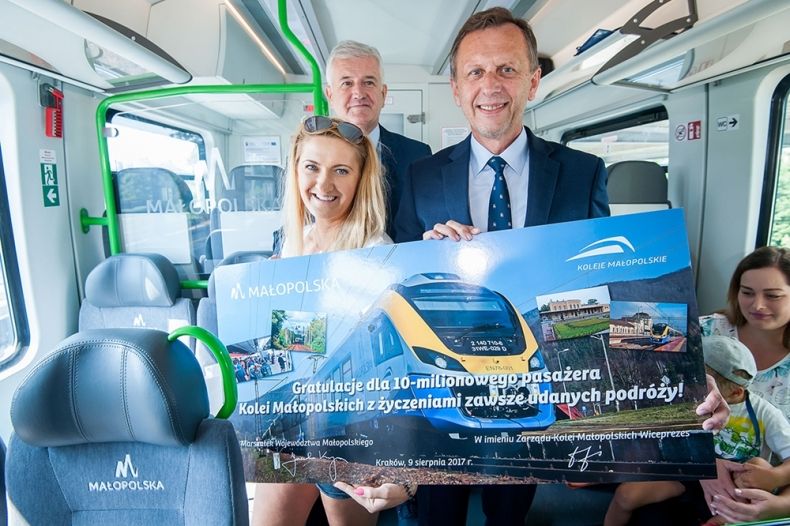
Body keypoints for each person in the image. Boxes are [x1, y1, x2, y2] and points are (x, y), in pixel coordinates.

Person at [394, 7, 728, 525]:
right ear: (457, 89)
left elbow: (607, 287)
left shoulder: (582, 172)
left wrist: (683, 367)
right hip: (444, 367)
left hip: (531, 368)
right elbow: (394, 278)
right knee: (440, 509)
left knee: (511, 510)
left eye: (506, 69)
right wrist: (422, 251)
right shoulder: (421, 176)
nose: (490, 86)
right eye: (475, 72)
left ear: (532, 81)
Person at [252, 115, 414, 526]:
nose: (323, 184)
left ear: (360, 180)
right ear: (296, 171)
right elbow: (290, 347)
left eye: (341, 170)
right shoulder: (291, 246)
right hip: (294, 421)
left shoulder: (377, 252)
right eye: (312, 167)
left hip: (347, 432)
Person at [605, 335, 790, 526]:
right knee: (626, 495)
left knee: (759, 464)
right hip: (688, 472)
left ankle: (723, 518)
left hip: (732, 485)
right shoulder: (679, 396)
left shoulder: (764, 413)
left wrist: (774, 477)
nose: (688, 386)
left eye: (700, 383)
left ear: (735, 392)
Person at [697, 246, 790, 523]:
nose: (757, 305)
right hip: (692, 465)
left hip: (762, 485)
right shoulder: (706, 331)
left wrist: (778, 505)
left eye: (773, 296)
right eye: (747, 292)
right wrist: (702, 463)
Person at [324, 40, 431, 239]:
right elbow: (291, 223)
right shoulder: (310, 159)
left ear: (383, 93)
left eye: (369, 82)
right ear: (330, 95)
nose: (358, 93)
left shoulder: (417, 155)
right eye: (347, 83)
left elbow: (429, 220)